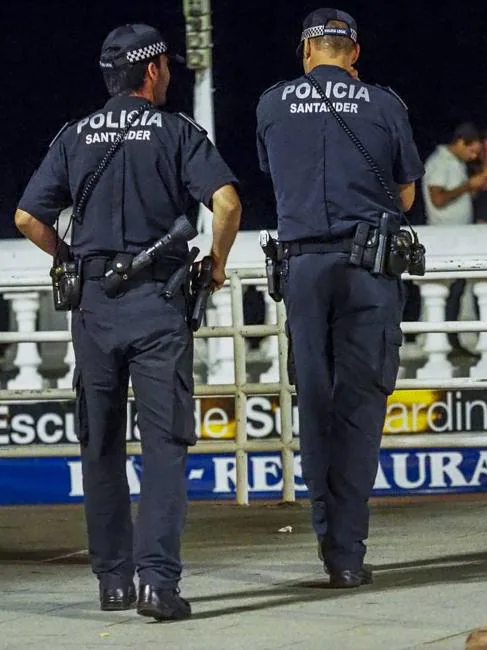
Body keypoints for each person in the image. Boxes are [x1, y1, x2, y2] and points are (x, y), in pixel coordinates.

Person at [14, 24, 241, 621]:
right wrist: (215, 265)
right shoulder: (177, 132)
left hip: (93, 305)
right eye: (165, 66)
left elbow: (27, 217)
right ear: (152, 70)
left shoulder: (75, 135)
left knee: (101, 444)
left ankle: (112, 583)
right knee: (165, 445)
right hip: (159, 304)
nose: (168, 74)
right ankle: (157, 584)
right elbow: (226, 203)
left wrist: (70, 261)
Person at [256, 8, 424, 588]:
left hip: (303, 269)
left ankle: (328, 539)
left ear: (307, 53)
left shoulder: (273, 103)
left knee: (316, 408)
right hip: (368, 272)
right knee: (360, 410)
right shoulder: (384, 105)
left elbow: (276, 177)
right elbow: (404, 195)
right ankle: (345, 554)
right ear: (354, 53)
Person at [423, 123, 487, 355]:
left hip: (459, 238)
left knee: (458, 290)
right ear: (461, 141)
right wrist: (466, 186)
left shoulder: (456, 164)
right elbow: (438, 199)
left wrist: (480, 174)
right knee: (450, 292)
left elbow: (462, 195)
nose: (473, 156)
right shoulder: (439, 163)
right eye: (472, 150)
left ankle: (454, 341)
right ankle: (447, 341)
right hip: (445, 239)